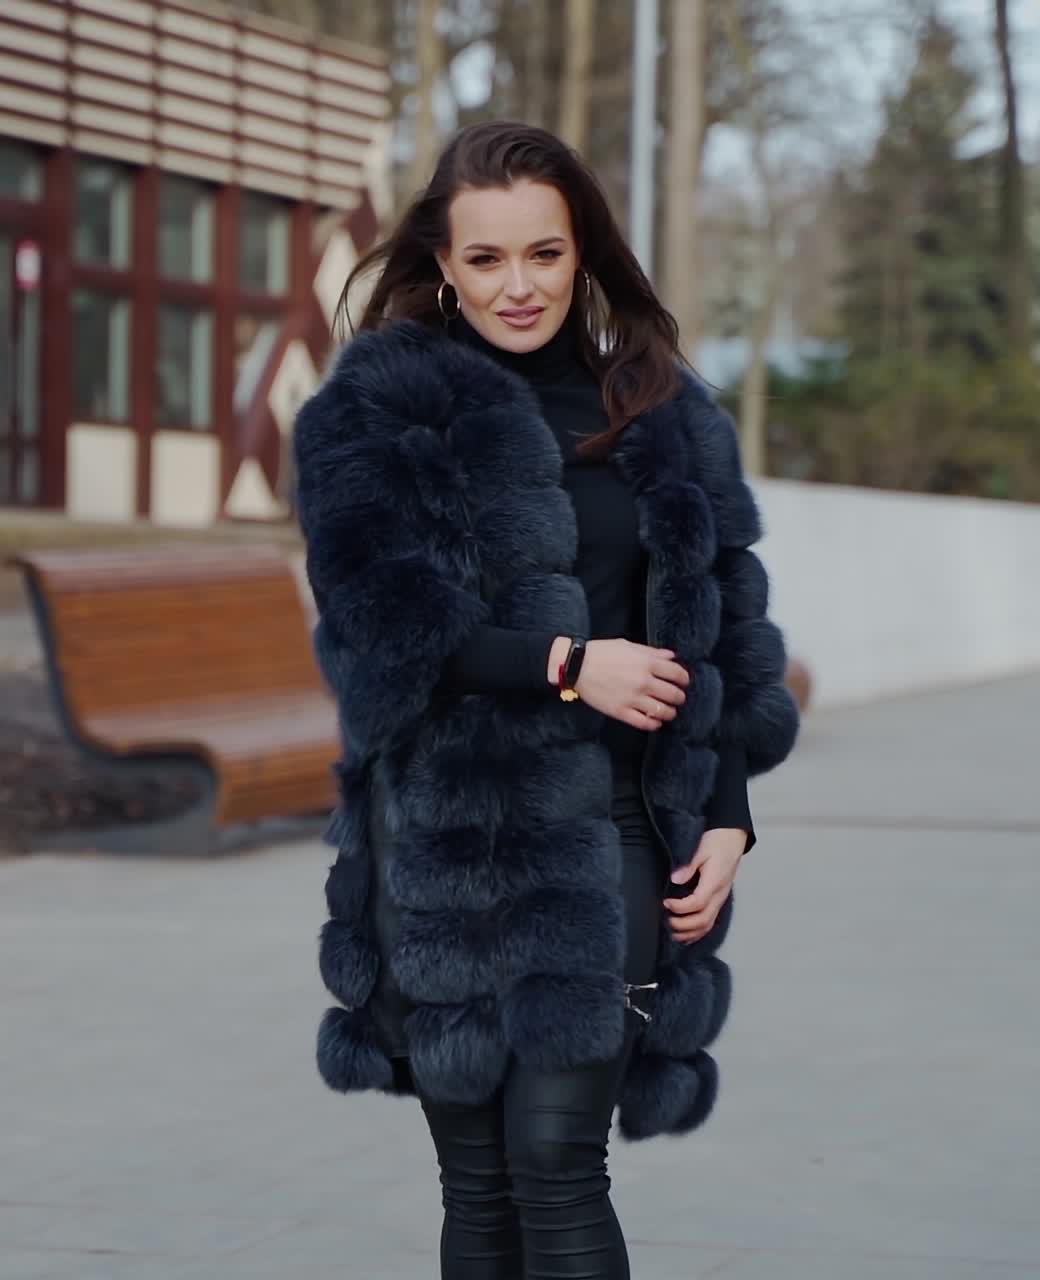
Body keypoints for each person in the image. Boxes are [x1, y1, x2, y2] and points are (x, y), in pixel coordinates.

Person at [292, 121, 799, 1280]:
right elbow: (379, 621)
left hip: (616, 830)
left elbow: (717, 626)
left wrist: (726, 811)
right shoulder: (376, 409)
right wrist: (567, 662)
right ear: (440, 264)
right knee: (476, 1185)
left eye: (542, 253)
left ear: (583, 255)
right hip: (440, 838)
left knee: (557, 1159)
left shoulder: (661, 410)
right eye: (485, 259)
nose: (516, 286)